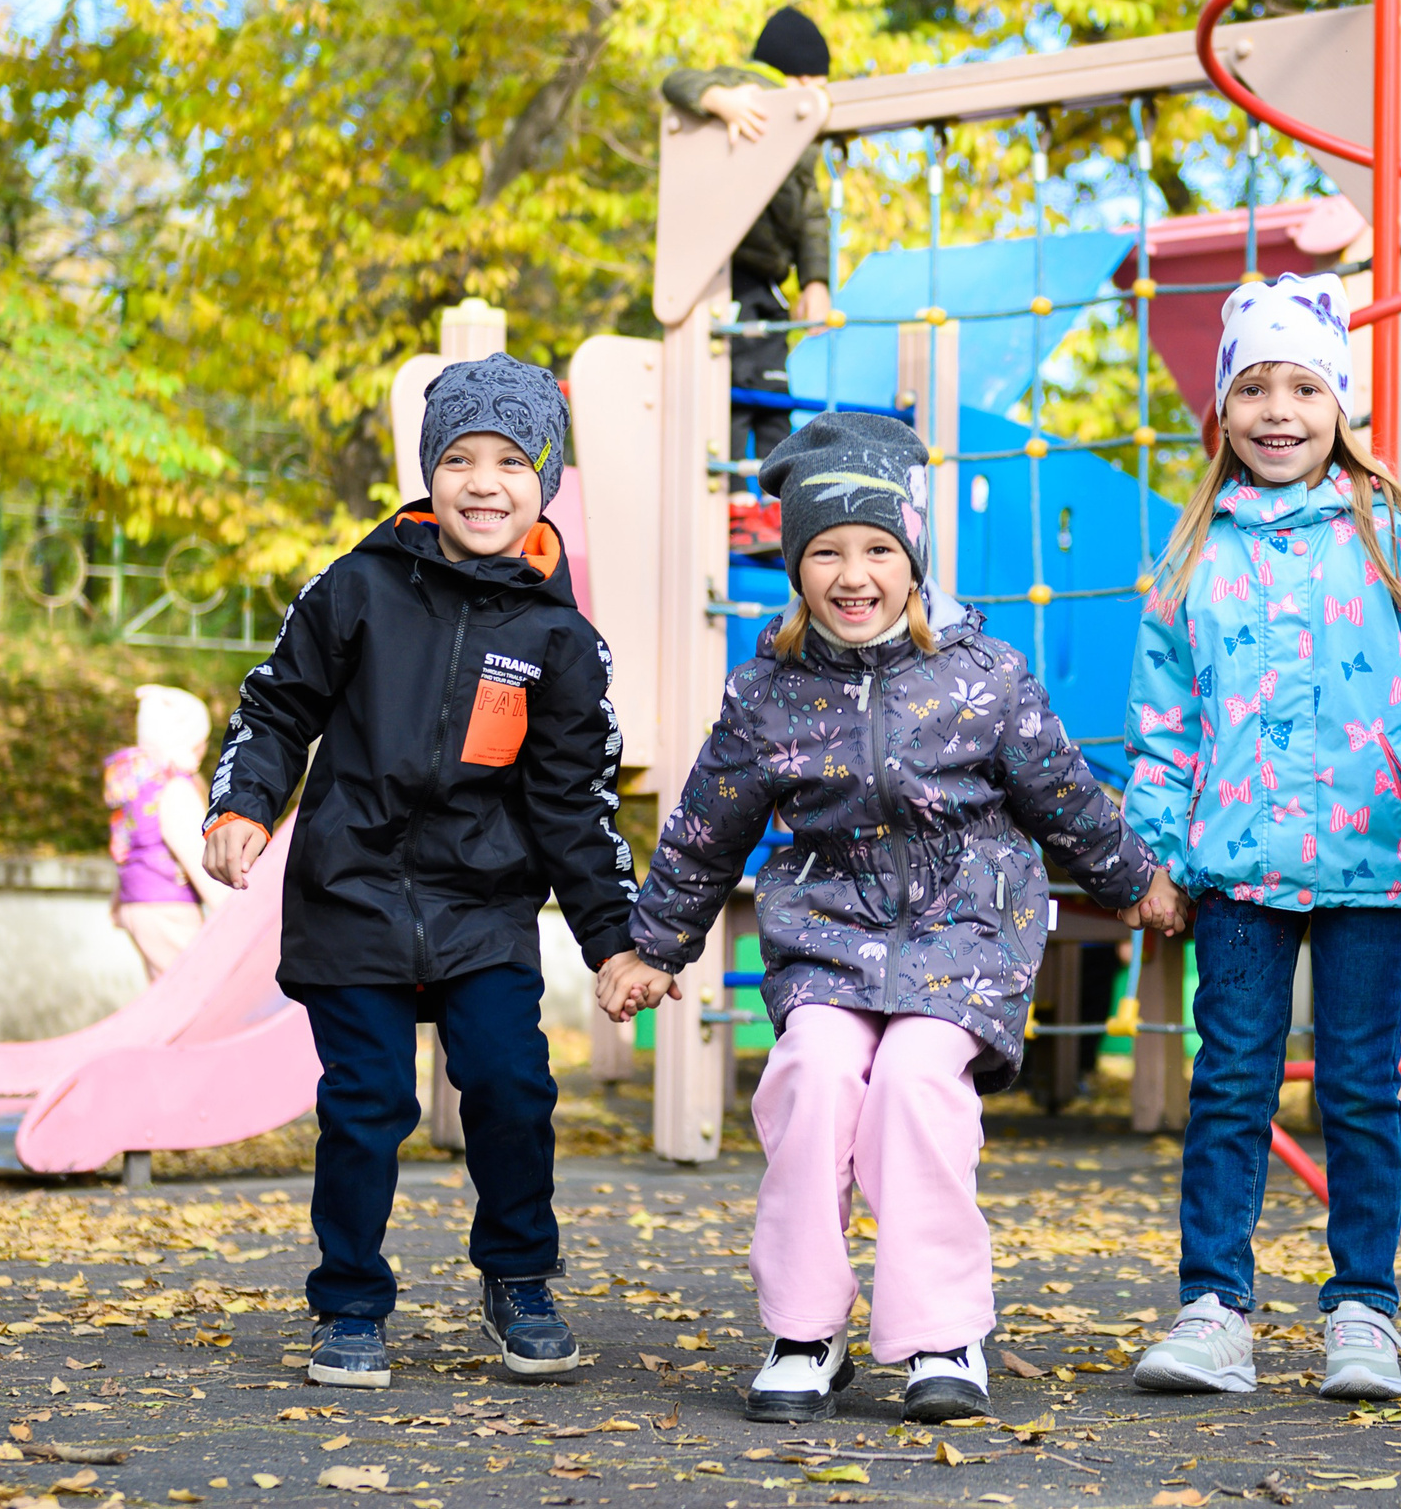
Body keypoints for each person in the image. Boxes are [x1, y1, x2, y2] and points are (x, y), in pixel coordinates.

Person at [601, 412, 1160, 1426]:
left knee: (910, 1084)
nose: (852, 574)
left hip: (964, 931)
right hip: (826, 930)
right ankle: (804, 1328)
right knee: (811, 1075)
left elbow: (1061, 795)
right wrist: (654, 943)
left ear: (913, 561)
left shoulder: (983, 675)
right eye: (825, 552)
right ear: (795, 566)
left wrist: (1133, 884)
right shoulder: (766, 692)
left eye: (876, 550)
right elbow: (705, 827)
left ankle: (942, 1329)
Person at [200, 353, 640, 1394]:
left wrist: (613, 938)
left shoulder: (560, 639)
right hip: (350, 890)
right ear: (428, 473)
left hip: (481, 904)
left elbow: (574, 806)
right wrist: (242, 804)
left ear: (545, 481)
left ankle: (519, 1277)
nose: (482, 482)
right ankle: (350, 1302)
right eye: (459, 459)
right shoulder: (355, 588)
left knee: (509, 1084)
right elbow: (276, 709)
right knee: (365, 1103)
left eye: (508, 462)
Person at [1120, 273, 1401, 1403]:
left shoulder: (1388, 530)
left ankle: (1363, 1310)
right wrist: (1152, 850)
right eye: (1252, 386)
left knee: (1358, 1088)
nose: (1277, 410)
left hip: (1368, 857)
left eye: (1303, 386)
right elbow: (1160, 719)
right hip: (1236, 865)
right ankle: (1213, 1310)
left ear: (1339, 404)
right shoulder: (1192, 550)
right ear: (1222, 409)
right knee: (1232, 1086)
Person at [661, 7, 834, 468]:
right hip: (724, 268)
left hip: (769, 280)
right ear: (794, 78)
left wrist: (815, 280)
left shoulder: (803, 137)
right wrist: (720, 99)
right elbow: (676, 82)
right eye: (812, 82)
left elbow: (811, 214)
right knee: (734, 386)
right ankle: (735, 494)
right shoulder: (749, 91)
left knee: (774, 386)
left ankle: (776, 495)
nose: (817, 95)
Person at [104, 684, 234, 979]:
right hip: (168, 906)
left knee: (163, 994)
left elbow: (130, 848)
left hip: (138, 904)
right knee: (194, 989)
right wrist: (228, 905)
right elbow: (193, 852)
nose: (204, 746)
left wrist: (117, 900)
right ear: (185, 740)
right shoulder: (174, 789)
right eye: (200, 739)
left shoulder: (137, 785)